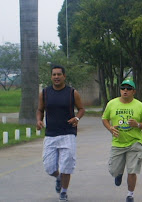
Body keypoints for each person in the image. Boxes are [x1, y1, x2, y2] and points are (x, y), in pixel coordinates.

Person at [36, 65, 85, 202]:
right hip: (51, 134)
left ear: (64, 76)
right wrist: (39, 120)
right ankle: (58, 178)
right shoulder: (45, 93)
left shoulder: (72, 93)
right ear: (51, 77)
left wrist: (76, 118)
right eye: (54, 75)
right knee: (49, 167)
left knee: (66, 165)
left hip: (68, 133)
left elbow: (81, 109)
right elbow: (40, 110)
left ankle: (64, 192)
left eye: (59, 74)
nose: (56, 77)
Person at [102, 79, 142, 202]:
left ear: (133, 91)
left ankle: (130, 195)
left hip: (134, 142)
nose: (125, 90)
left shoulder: (140, 106)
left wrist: (138, 125)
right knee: (113, 170)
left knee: (132, 170)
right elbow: (105, 119)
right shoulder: (112, 104)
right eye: (123, 88)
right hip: (117, 143)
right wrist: (110, 128)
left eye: (128, 89)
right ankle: (118, 174)